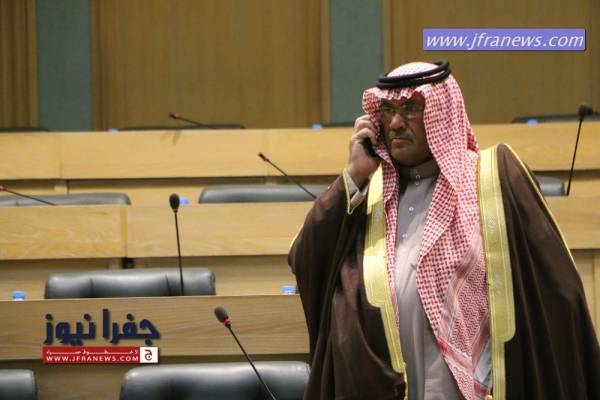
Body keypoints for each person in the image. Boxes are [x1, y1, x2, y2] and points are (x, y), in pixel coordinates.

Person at [288, 61, 600, 400]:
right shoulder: (368, 194)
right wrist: (353, 176)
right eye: (388, 110)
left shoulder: (493, 179)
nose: (395, 123)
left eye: (411, 108)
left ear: (443, 113)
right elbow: (307, 259)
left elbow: (558, 292)